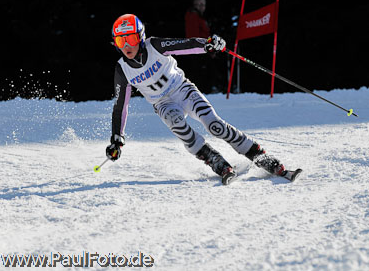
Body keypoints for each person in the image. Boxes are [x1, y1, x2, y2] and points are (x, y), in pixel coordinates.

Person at [106, 14, 301, 185]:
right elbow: (120, 106)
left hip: (182, 90)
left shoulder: (155, 46)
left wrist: (208, 44)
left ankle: (261, 157)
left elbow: (186, 44)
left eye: (131, 39)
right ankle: (215, 161)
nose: (127, 46)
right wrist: (117, 138)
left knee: (215, 125)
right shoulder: (122, 69)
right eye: (121, 42)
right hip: (162, 104)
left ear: (140, 37)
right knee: (179, 127)